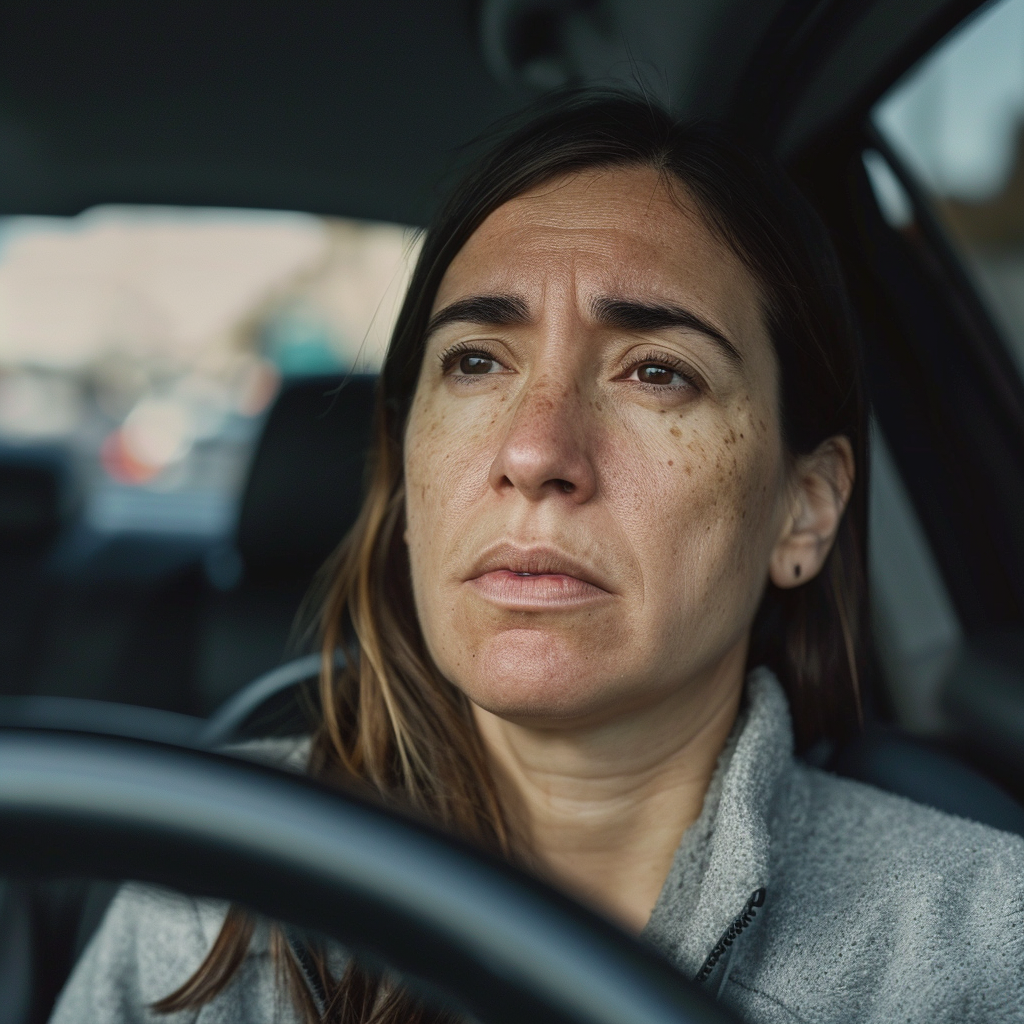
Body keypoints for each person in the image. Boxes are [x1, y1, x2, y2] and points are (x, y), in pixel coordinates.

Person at [51, 92, 1024, 1024]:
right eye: (476, 361)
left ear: (803, 512)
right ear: (406, 480)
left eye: (656, 372)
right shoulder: (208, 895)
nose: (534, 452)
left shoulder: (977, 946)